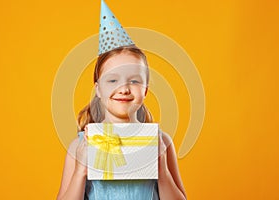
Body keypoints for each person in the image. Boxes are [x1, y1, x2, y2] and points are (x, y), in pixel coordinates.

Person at [57, 1, 186, 199]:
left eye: (134, 80)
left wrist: (162, 171)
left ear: (146, 90)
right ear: (98, 89)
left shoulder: (162, 142)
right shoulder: (79, 147)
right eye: (113, 79)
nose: (124, 89)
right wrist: (80, 172)